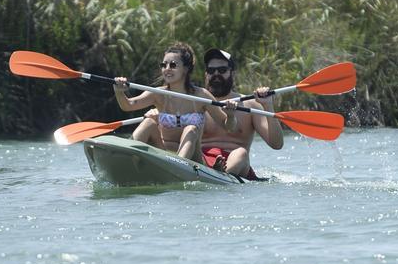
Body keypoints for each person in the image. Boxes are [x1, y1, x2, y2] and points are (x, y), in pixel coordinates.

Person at [113, 42, 232, 162]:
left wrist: (231, 114)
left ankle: (179, 165)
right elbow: (128, 105)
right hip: (163, 153)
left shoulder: (201, 95)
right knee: (148, 122)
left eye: (173, 65)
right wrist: (119, 91)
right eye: (164, 65)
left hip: (193, 159)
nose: (167, 69)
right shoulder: (157, 94)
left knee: (191, 129)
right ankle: (124, 158)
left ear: (186, 68)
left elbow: (228, 126)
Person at [197, 48, 282, 179]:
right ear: (206, 74)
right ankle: (215, 172)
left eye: (222, 70)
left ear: (233, 73)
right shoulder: (196, 102)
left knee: (241, 153)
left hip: (237, 165)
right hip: (202, 162)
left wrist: (267, 105)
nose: (216, 74)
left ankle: (220, 174)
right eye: (211, 71)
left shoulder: (251, 104)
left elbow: (276, 144)